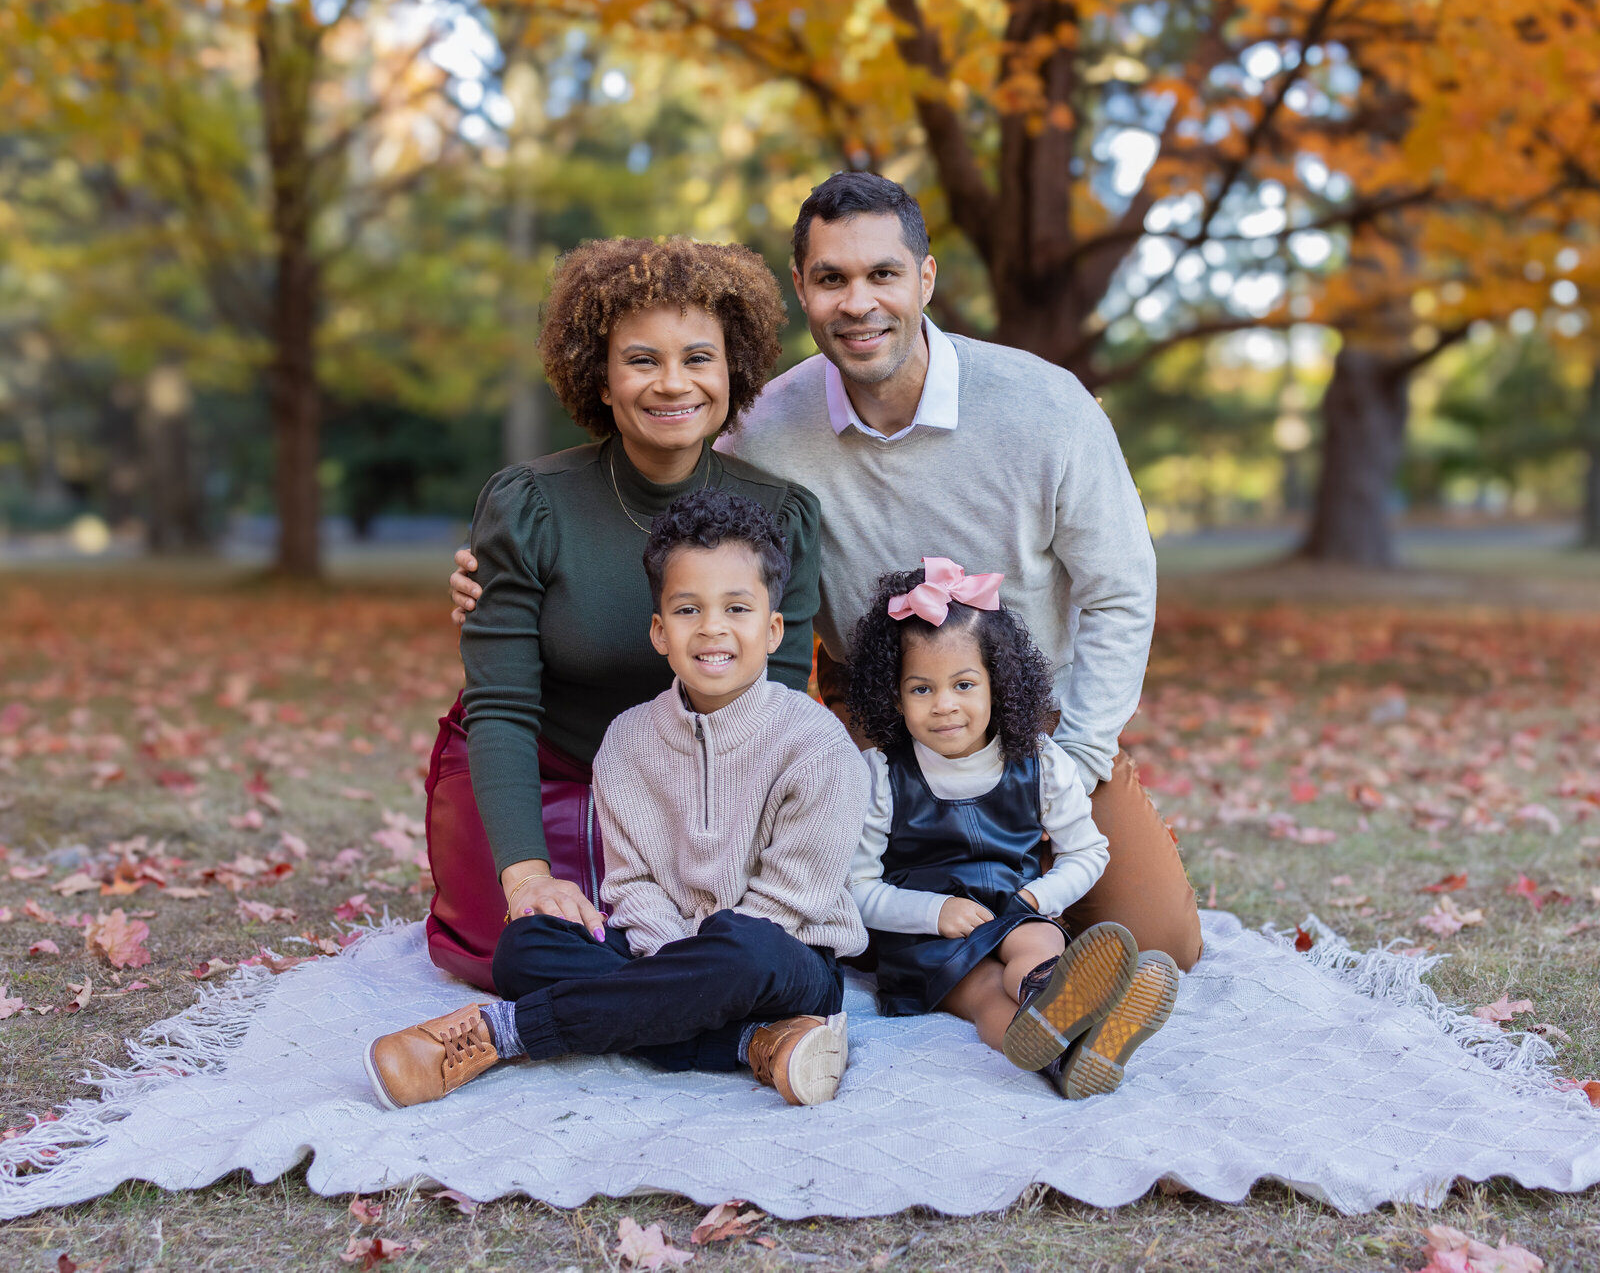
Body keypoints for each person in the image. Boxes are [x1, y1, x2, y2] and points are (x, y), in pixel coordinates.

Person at [452, 174, 1203, 971]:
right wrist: (494, 573)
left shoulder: (1046, 408)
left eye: (882, 274)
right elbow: (682, 509)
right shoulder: (764, 426)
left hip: (1031, 717)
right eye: (831, 278)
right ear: (802, 288)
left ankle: (1024, 937)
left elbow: (1120, 591)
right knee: (860, 931)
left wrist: (1078, 760)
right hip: (873, 720)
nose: (858, 302)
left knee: (1159, 943)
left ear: (926, 278)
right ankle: (1008, 967)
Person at [365, 491, 868, 1108]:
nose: (712, 627)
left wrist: (691, 971)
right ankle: (755, 1045)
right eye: (688, 609)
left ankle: (508, 1032)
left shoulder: (817, 744)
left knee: (746, 948)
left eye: (737, 608)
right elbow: (632, 885)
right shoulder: (629, 742)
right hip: (662, 947)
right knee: (526, 947)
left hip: (783, 963)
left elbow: (794, 902)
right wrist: (676, 971)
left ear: (773, 629)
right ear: (660, 631)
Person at [428, 237, 823, 991]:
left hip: (699, 792)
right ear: (600, 379)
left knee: (712, 940)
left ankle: (648, 1014)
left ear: (731, 371)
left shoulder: (782, 515)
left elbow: (773, 714)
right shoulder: (529, 506)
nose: (672, 383)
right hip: (545, 774)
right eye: (642, 359)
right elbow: (502, 708)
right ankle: (715, 1019)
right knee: (528, 947)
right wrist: (525, 877)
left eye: (698, 358)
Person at [845, 560, 1179, 1098]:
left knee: (1040, 940)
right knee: (982, 997)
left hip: (1014, 910)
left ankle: (1062, 1012)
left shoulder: (1041, 762)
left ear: (997, 685)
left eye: (964, 684)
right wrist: (933, 912)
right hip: (927, 939)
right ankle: (1067, 1052)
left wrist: (1035, 895)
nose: (945, 704)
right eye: (921, 689)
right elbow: (857, 889)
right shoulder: (883, 775)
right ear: (894, 696)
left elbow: (1088, 853)